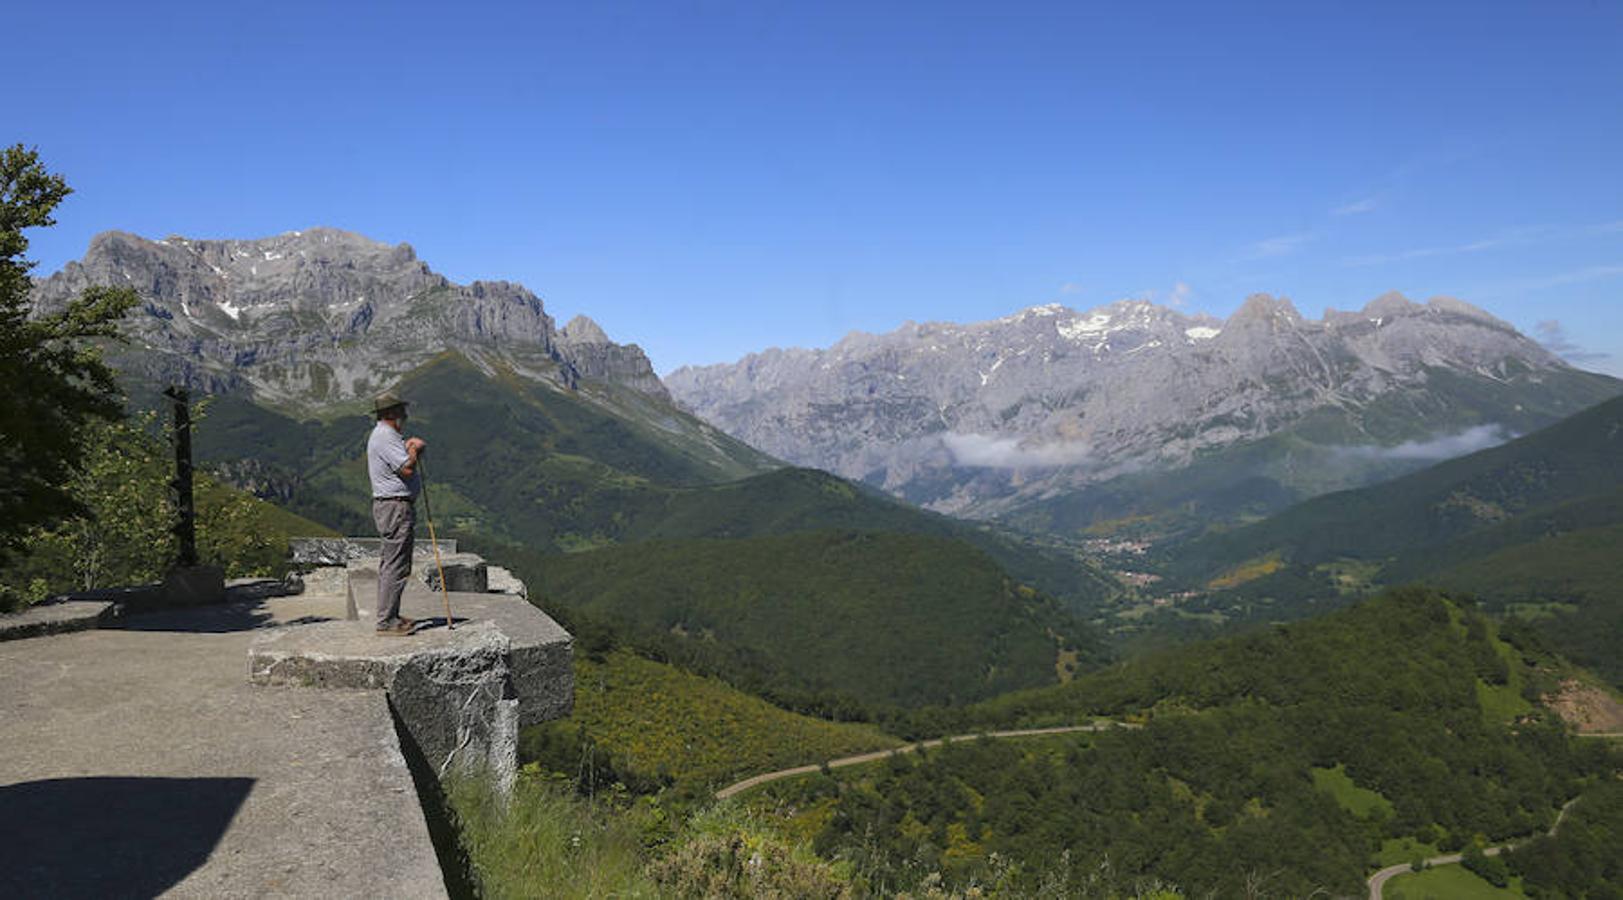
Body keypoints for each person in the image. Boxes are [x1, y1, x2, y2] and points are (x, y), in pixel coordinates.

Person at [367, 392, 425, 635]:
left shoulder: (385, 435)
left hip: (391, 506)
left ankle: (391, 615)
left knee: (393, 563)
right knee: (395, 565)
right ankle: (386, 621)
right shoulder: (385, 435)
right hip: (395, 507)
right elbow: (407, 469)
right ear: (392, 413)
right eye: (401, 410)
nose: (405, 414)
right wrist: (417, 449)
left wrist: (406, 447)